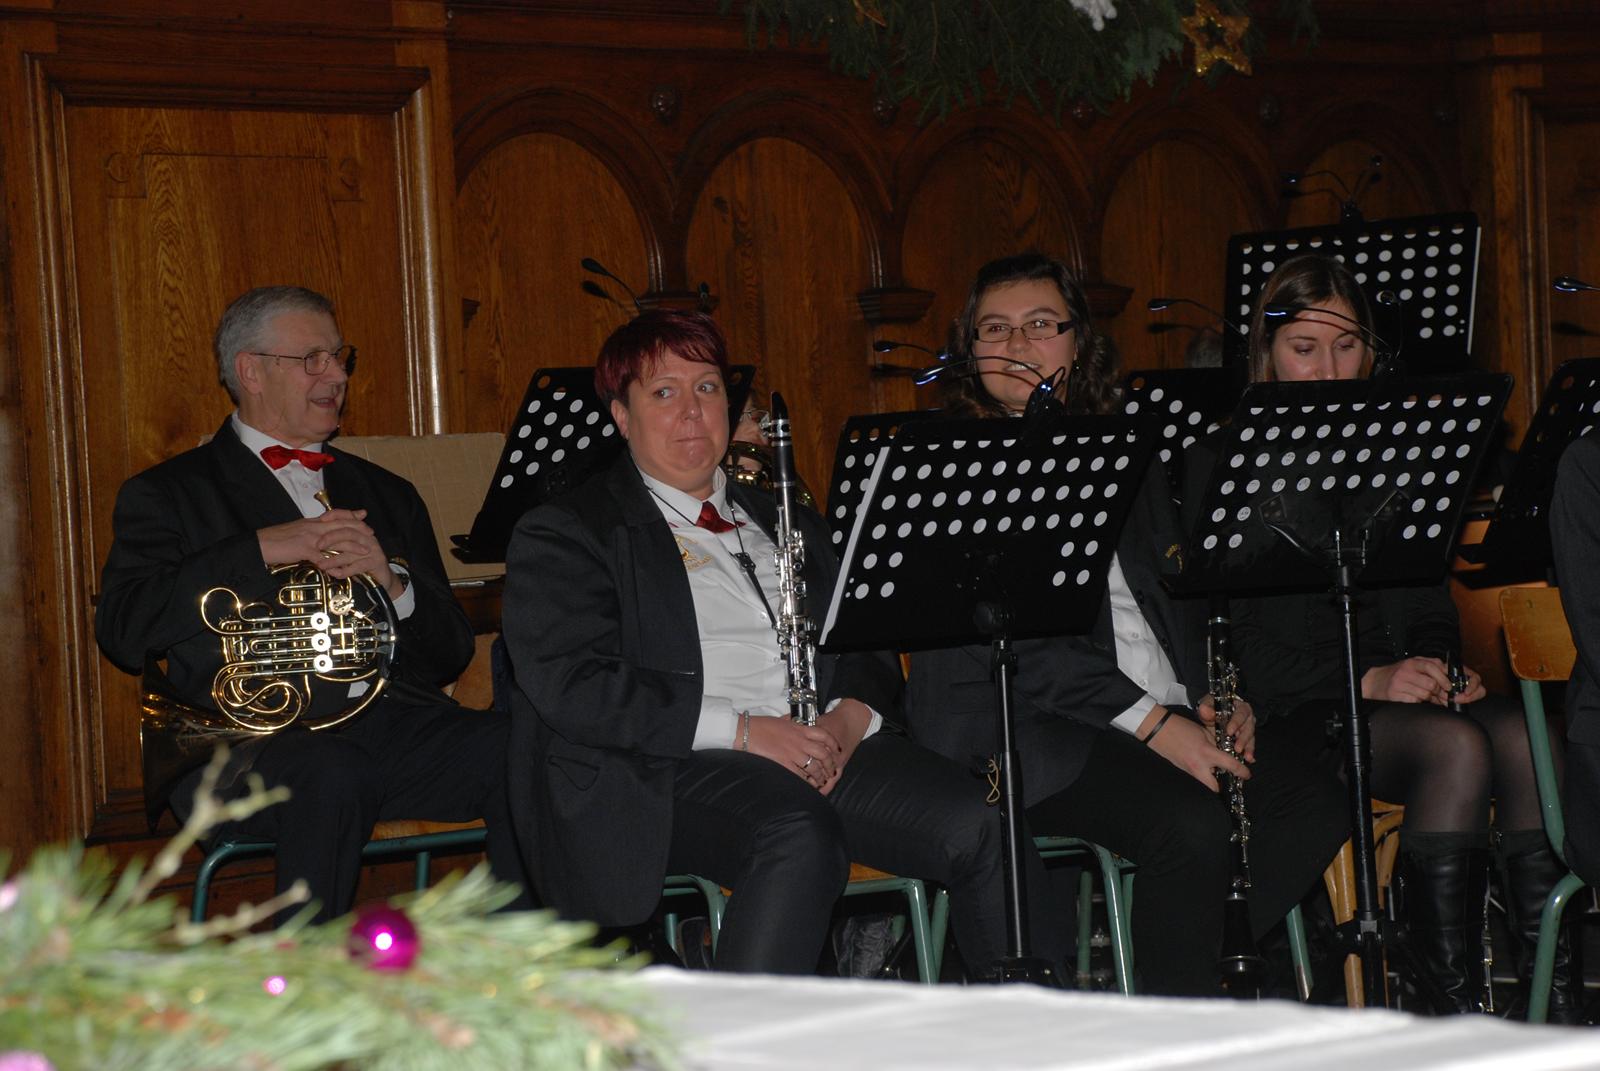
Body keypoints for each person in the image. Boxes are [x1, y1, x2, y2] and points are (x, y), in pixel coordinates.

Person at [500, 308, 1021, 976]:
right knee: (796, 832)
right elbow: (576, 686)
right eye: (664, 392)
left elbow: (864, 644)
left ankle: (1034, 1020)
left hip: (819, 749)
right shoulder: (570, 530)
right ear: (622, 417)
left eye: (707, 388)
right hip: (665, 767)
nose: (692, 410)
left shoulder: (785, 516)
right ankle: (749, 1031)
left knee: (984, 821)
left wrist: (847, 721)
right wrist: (746, 731)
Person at [905, 252, 1347, 997]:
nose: (1018, 344)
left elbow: (1178, 596)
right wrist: (1157, 726)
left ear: (1079, 342)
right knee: (1191, 824)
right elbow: (1031, 652)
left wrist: (1215, 696)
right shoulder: (954, 465)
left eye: (1041, 324)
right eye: (996, 329)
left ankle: (1191, 977)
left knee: (1312, 802)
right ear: (969, 350)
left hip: (1148, 709)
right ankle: (1181, 1007)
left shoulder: (1121, 445)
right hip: (1025, 726)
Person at [96, 285, 524, 923]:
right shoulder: (168, 494)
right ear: (250, 371)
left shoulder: (387, 492)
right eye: (312, 359)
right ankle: (305, 974)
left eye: (340, 357)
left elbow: (449, 655)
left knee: (527, 749)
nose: (337, 375)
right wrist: (260, 549)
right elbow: (123, 628)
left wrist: (393, 585)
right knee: (332, 771)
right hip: (239, 748)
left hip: (389, 728)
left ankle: (536, 958)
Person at [1227, 251, 1572, 1017]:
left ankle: (1549, 996)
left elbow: (1428, 601)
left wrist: (1442, 663)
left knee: (1528, 734)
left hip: (1396, 698)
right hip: (1298, 711)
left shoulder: (1394, 457)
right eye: (1305, 347)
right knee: (1456, 746)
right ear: (1268, 352)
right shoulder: (1228, 466)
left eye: (1346, 345)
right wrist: (1368, 679)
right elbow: (1243, 652)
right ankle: (1447, 1005)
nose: (1328, 368)